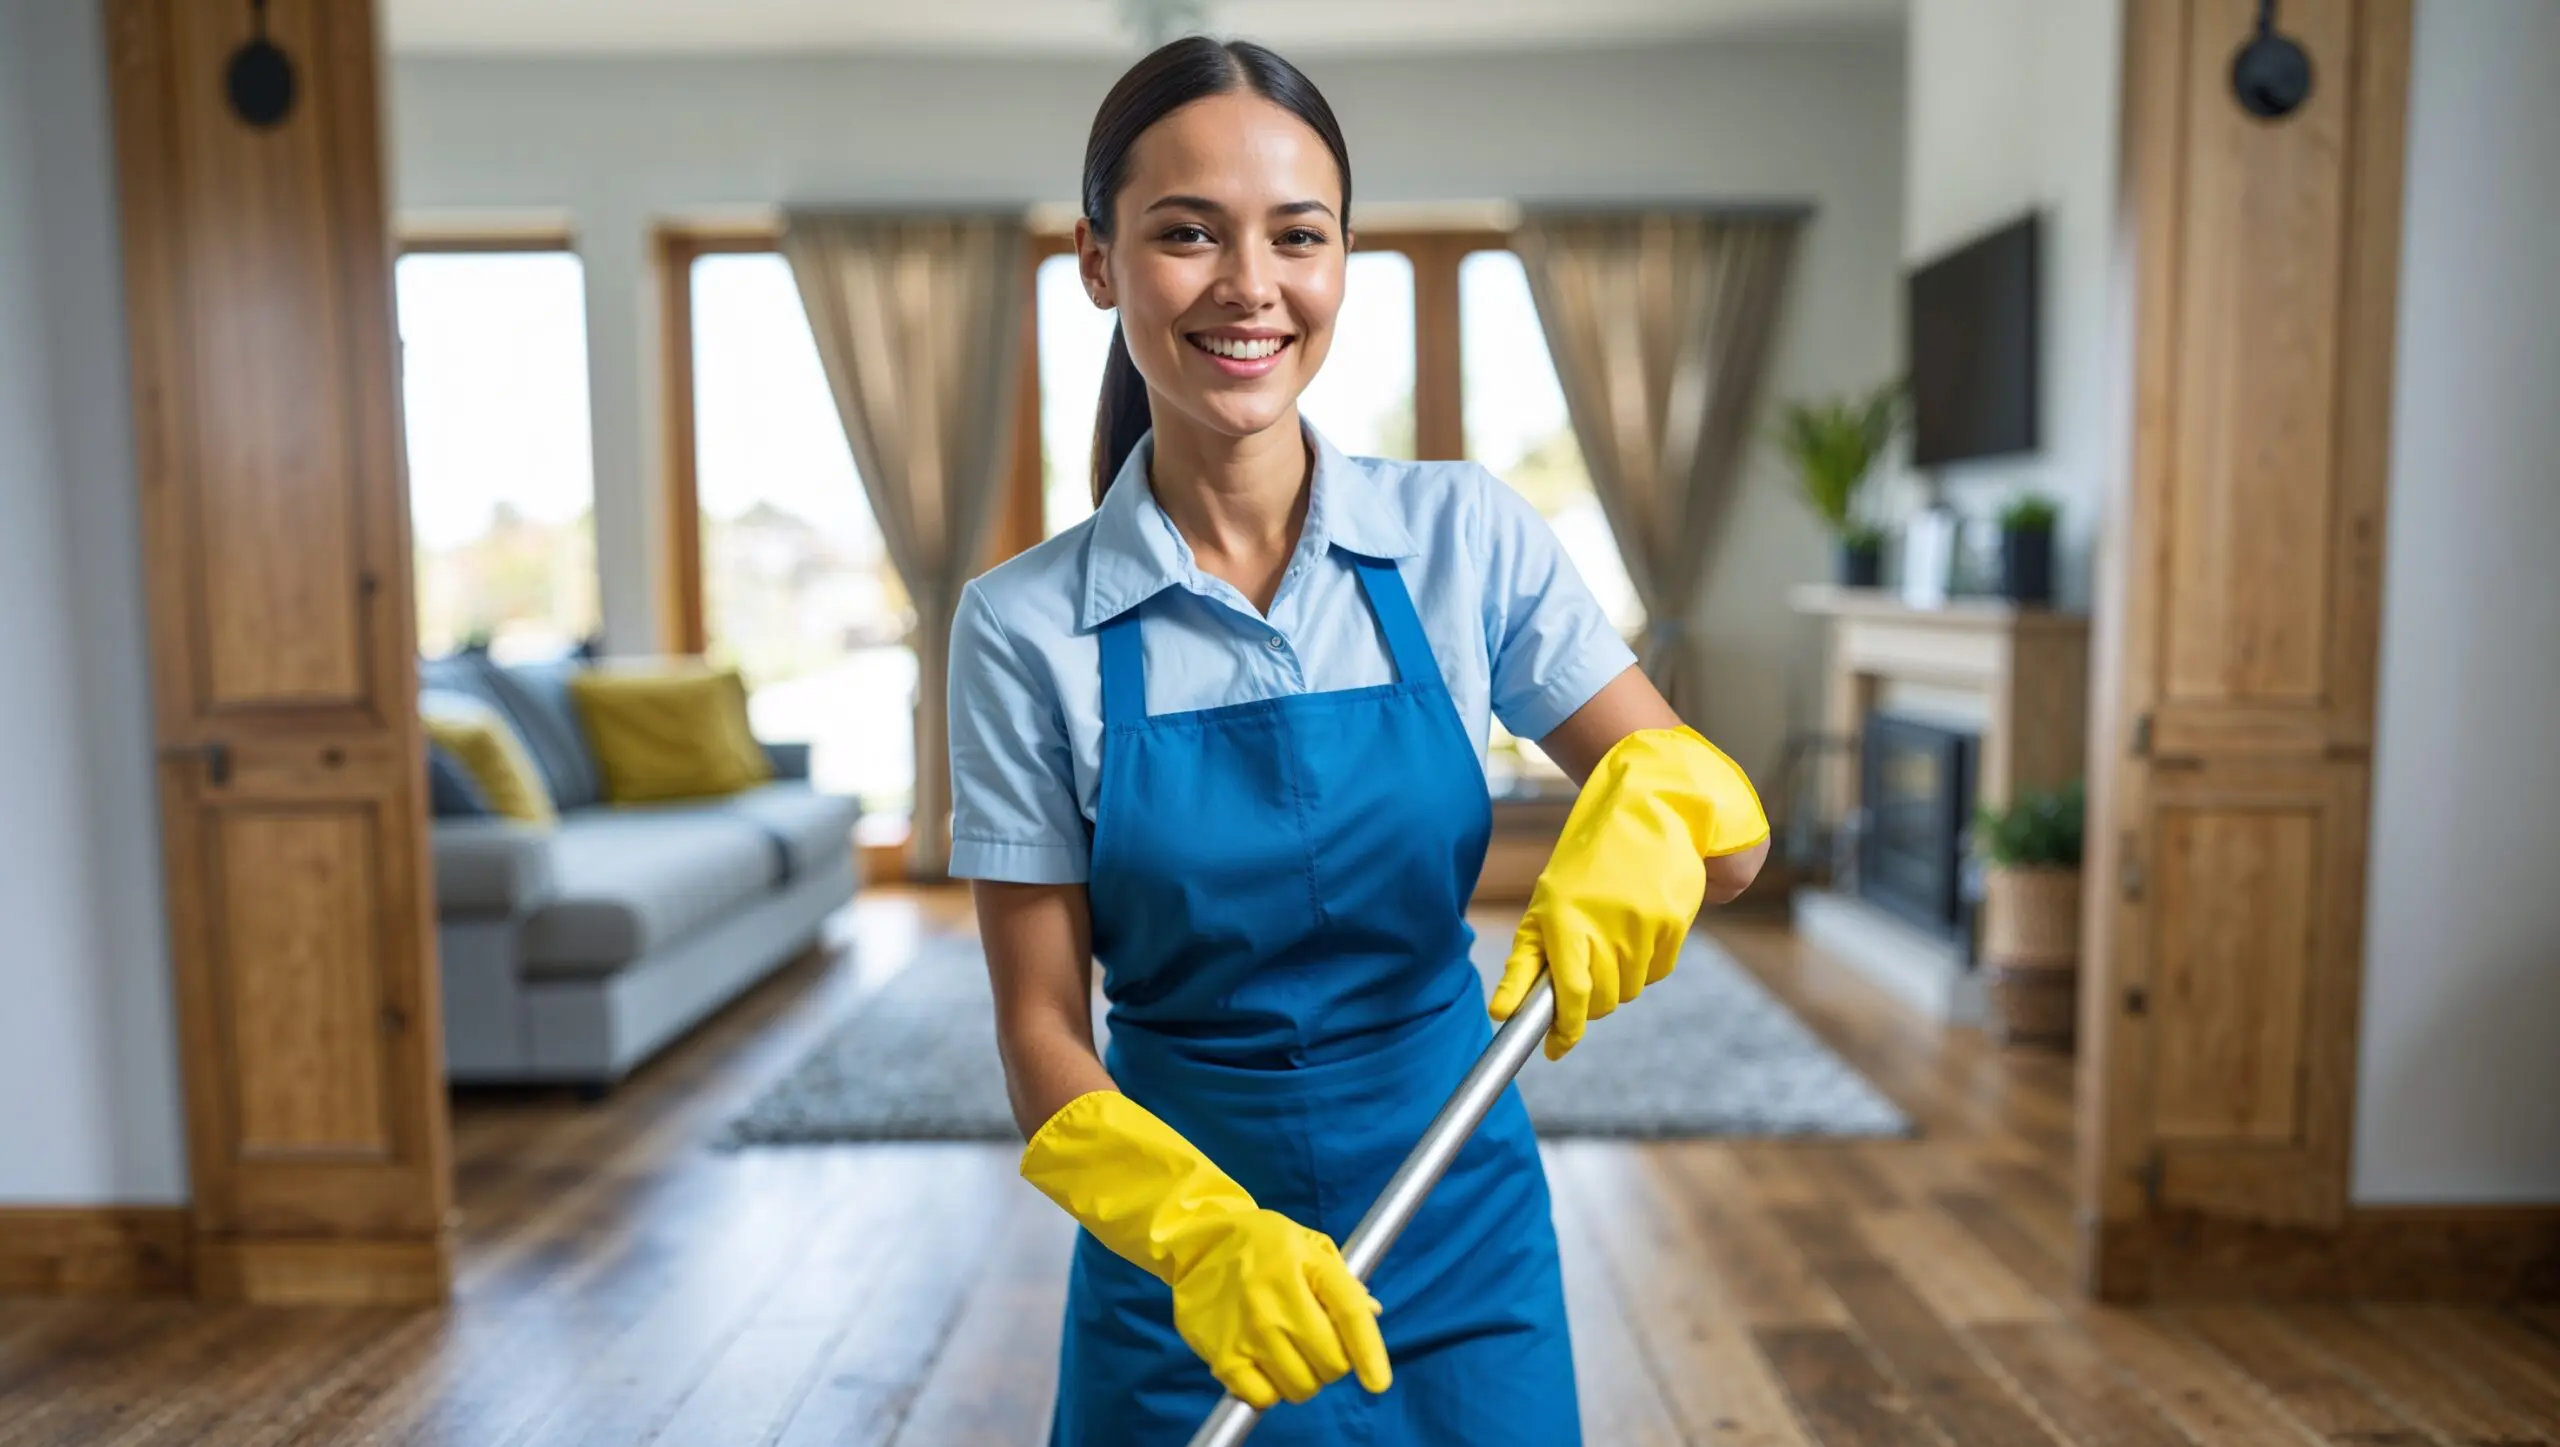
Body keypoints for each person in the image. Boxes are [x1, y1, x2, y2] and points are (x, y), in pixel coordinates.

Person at [947, 35, 1772, 1447]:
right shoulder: (1024, 627)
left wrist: (1659, 801)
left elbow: (1730, 836)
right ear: (1099, 261)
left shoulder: (1465, 539)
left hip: (1456, 1216)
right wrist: (1204, 1240)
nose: (1249, 285)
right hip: (1181, 1265)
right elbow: (1038, 1033)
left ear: (1342, 260)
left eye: (1298, 235)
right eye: (1187, 233)